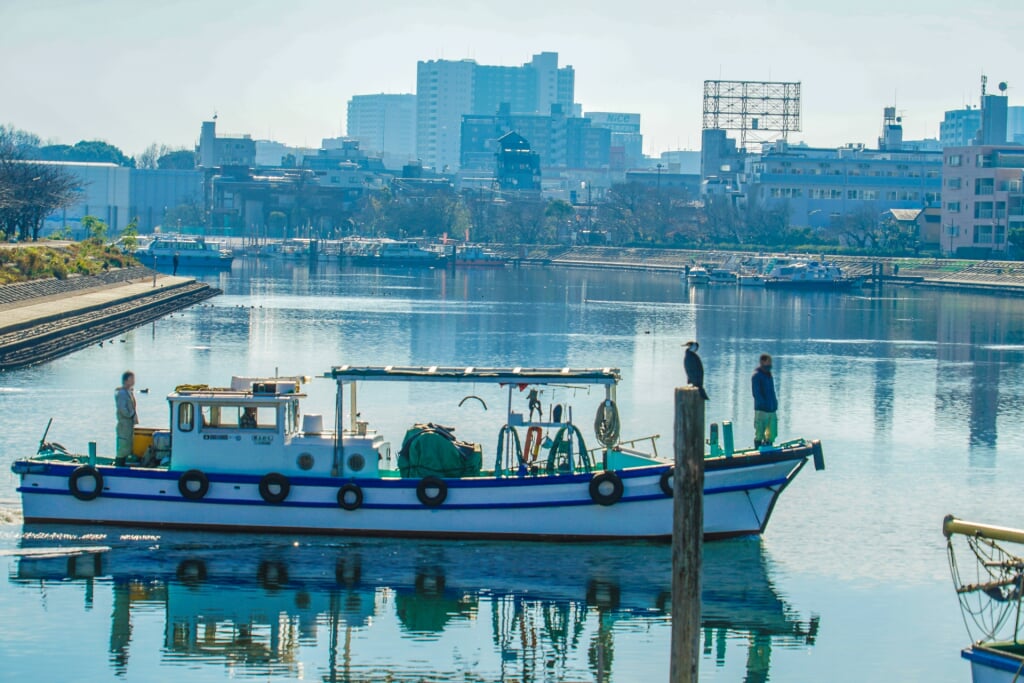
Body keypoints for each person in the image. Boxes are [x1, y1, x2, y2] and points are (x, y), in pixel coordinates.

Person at [751, 354, 778, 447]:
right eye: (768, 362)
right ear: (762, 362)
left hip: (772, 409)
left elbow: (772, 391)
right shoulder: (756, 375)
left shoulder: (769, 375)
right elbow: (756, 393)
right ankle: (757, 451)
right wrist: (763, 404)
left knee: (772, 433)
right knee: (760, 432)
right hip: (761, 410)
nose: (770, 364)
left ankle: (769, 448)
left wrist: (774, 403)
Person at [115, 370, 139, 465]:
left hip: (129, 423)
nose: (133, 381)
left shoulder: (129, 392)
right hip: (124, 423)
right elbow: (122, 408)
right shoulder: (122, 393)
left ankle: (124, 463)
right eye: (131, 379)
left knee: (128, 444)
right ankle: (119, 465)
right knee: (123, 445)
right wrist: (131, 414)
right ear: (125, 380)